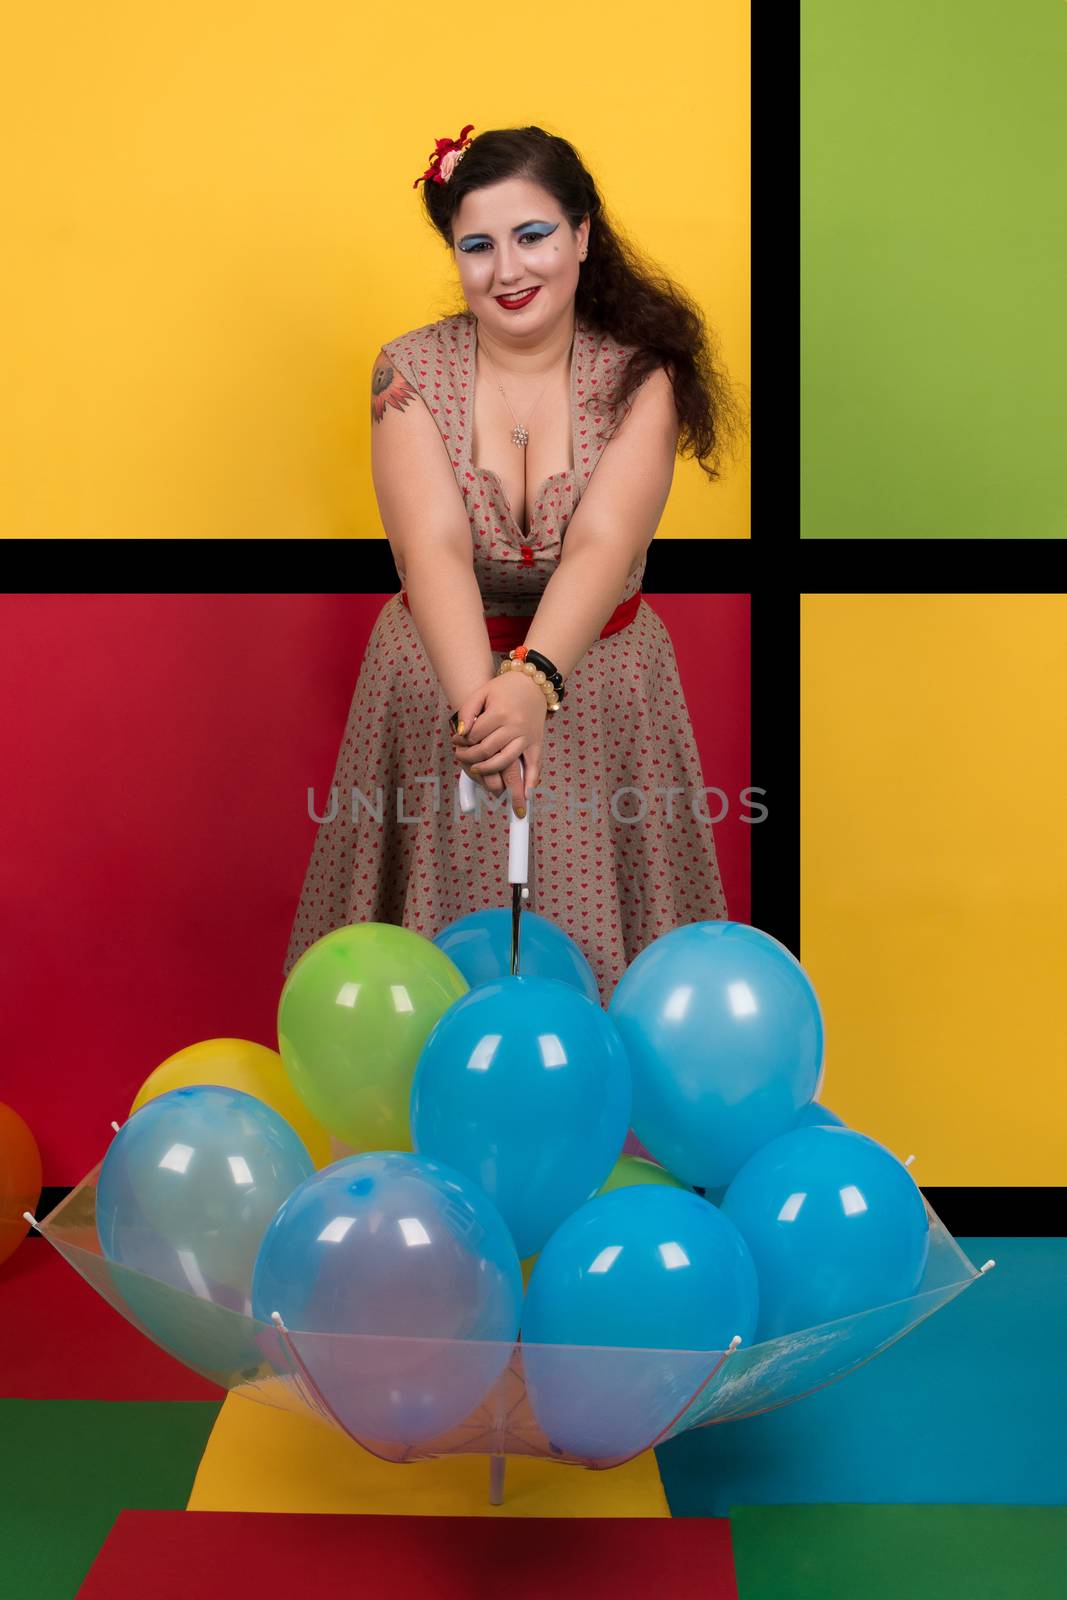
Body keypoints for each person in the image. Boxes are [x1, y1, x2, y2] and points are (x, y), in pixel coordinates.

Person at [283, 123, 744, 1008]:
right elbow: (434, 548)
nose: (507, 270)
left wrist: (533, 679)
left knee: (598, 975)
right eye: (477, 245)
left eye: (531, 236)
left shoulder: (640, 376)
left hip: (600, 689)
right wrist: (482, 718)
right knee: (435, 970)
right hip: (435, 678)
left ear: (580, 234)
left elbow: (604, 543)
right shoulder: (408, 369)